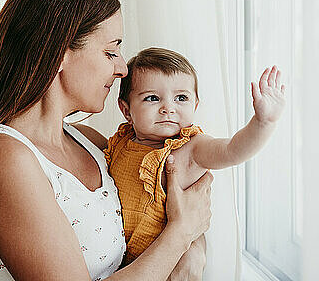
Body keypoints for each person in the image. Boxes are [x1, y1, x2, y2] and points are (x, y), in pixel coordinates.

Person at [0, 0, 213, 281]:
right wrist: (182, 234)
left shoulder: (92, 143)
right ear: (59, 54)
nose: (122, 68)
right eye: (110, 51)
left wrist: (194, 246)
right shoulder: (2, 161)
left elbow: (171, 217)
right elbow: (181, 228)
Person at [105, 47, 285, 266]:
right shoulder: (120, 143)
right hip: (122, 265)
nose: (168, 108)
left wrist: (262, 123)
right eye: (153, 98)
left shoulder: (192, 147)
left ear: (195, 105)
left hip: (169, 265)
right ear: (126, 111)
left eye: (181, 98)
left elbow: (232, 150)